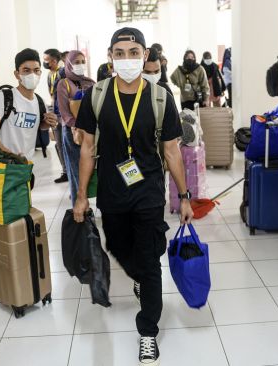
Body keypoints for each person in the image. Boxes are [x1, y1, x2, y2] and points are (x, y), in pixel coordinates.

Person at [73, 27, 193, 366]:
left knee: (150, 261)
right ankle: (140, 273)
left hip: (148, 192)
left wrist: (184, 196)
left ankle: (148, 331)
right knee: (119, 248)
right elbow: (87, 150)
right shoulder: (96, 96)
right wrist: (82, 195)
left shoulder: (160, 98)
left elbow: (171, 151)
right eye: (121, 52)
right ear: (110, 56)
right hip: (111, 190)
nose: (128, 59)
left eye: (134, 51)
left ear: (145, 55)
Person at [0, 48, 57, 158]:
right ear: (17, 74)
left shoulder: (39, 102)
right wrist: (12, 157)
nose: (32, 74)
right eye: (26, 70)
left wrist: (47, 122)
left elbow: (37, 126)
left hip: (26, 165)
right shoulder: (2, 98)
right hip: (5, 164)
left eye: (36, 70)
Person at [57, 50, 95, 205]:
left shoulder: (90, 82)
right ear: (69, 64)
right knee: (75, 171)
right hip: (74, 133)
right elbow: (64, 113)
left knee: (93, 169)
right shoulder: (63, 84)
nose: (80, 65)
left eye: (82, 61)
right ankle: (79, 206)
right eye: (76, 62)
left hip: (92, 132)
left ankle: (91, 201)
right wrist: (77, 126)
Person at [44, 48, 69, 183]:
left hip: (64, 113)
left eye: (46, 60)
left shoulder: (63, 72)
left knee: (67, 143)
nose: (44, 63)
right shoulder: (49, 75)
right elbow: (51, 93)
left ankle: (70, 171)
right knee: (58, 143)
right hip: (54, 111)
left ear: (54, 61)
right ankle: (65, 171)